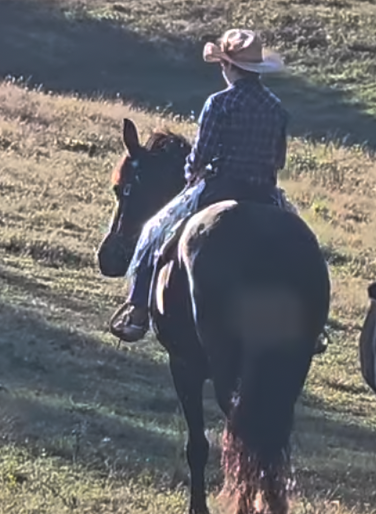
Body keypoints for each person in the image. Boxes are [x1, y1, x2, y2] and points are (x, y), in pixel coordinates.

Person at [109, 29, 302, 344]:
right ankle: (310, 322)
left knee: (153, 231)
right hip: (265, 192)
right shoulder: (277, 107)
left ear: (228, 67)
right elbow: (277, 158)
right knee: (299, 248)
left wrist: (189, 177)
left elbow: (200, 157)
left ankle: (139, 310)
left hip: (218, 188)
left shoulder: (219, 103)